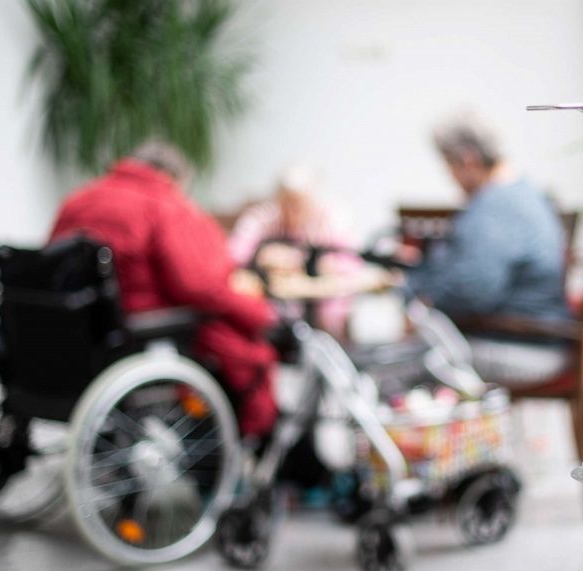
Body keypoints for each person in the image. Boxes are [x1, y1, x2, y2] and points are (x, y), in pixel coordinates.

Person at [49, 141, 279, 438]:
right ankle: (241, 438)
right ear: (173, 177)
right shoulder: (163, 205)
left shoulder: (78, 199)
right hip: (138, 331)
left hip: (80, 333)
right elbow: (198, 285)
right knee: (241, 344)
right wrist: (258, 312)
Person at [406, 115, 570, 386]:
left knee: (399, 364)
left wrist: (421, 297)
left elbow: (472, 289)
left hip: (522, 346)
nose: (451, 177)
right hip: (536, 339)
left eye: (449, 165)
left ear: (468, 160)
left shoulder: (495, 207)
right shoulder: (523, 192)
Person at [228, 165, 361, 338]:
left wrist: (322, 264)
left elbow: (352, 260)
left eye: (300, 203)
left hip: (321, 306)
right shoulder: (263, 217)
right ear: (278, 199)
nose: (294, 210)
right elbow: (234, 253)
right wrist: (262, 255)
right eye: (287, 202)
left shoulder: (329, 218)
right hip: (273, 303)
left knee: (333, 315)